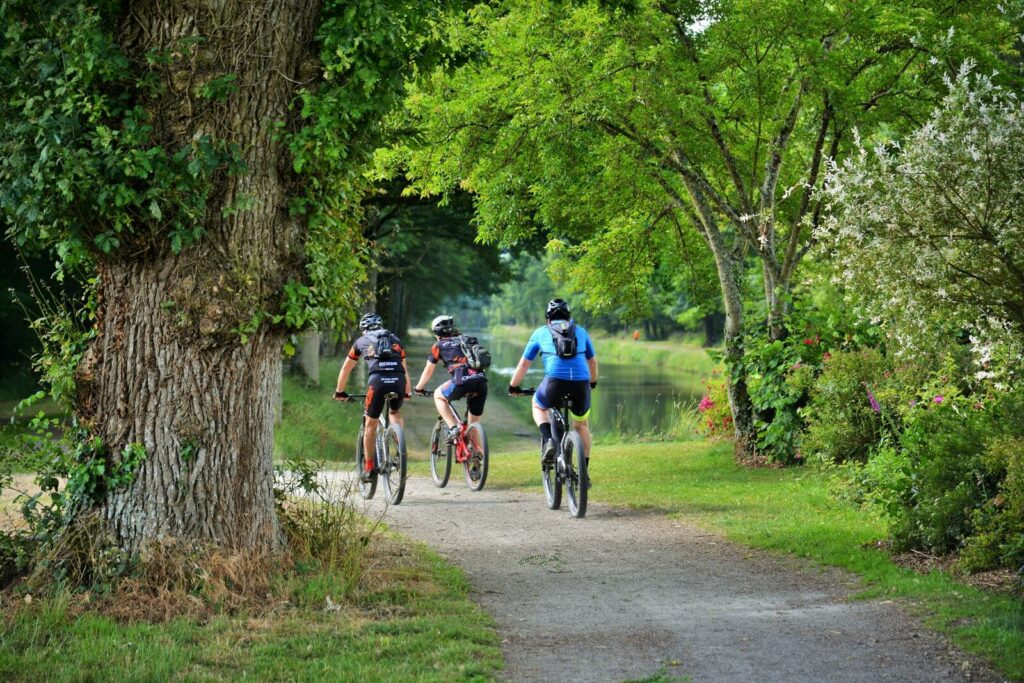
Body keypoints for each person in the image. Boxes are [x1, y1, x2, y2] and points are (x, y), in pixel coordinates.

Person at [508, 298, 598, 471]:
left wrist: (513, 386)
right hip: (581, 384)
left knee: (538, 404)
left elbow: (524, 365)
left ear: (548, 318)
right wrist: (592, 383)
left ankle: (549, 439)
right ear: (569, 316)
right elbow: (592, 362)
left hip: (554, 383)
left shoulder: (540, 332)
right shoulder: (581, 331)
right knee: (581, 425)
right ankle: (584, 473)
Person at [333, 313, 411, 482]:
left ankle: (369, 468)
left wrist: (340, 391)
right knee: (395, 412)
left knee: (371, 424)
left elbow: (346, 368)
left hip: (377, 382)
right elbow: (404, 369)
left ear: (364, 330)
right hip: (398, 380)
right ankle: (399, 448)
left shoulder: (361, 342)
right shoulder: (395, 339)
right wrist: (407, 392)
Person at [413, 314, 488, 444]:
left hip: (462, 381)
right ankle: (477, 457)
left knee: (438, 395)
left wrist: (419, 388)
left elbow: (428, 370)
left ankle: (453, 428)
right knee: (473, 425)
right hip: (481, 382)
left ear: (436, 332)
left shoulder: (438, 345)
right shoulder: (468, 340)